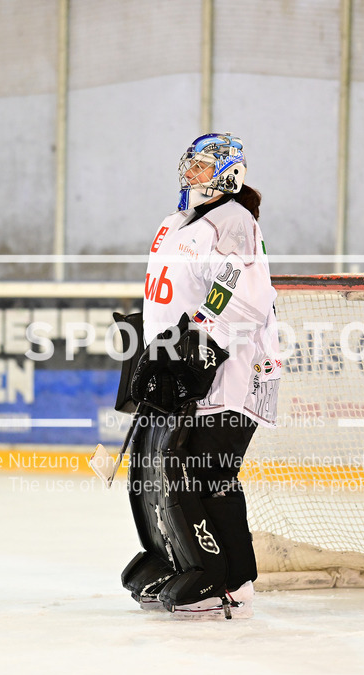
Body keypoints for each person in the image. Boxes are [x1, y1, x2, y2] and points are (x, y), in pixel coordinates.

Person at [119, 133, 280, 620]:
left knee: (206, 470)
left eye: (204, 163)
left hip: (230, 369)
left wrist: (198, 343)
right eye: (190, 162)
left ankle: (231, 580)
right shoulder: (174, 225)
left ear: (229, 171)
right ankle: (176, 559)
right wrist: (148, 349)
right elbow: (170, 298)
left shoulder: (233, 221)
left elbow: (237, 292)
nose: (191, 170)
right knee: (153, 467)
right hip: (183, 366)